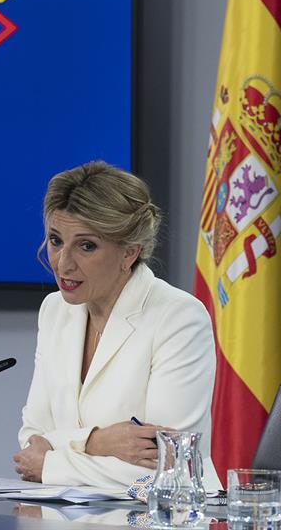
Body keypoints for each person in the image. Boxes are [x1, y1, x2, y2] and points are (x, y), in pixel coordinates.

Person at [13, 161, 221, 491]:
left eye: (86, 245)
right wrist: (97, 442)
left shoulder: (179, 317)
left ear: (129, 253)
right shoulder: (54, 310)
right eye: (55, 240)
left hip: (165, 517)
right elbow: (32, 441)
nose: (63, 263)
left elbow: (169, 465)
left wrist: (53, 463)